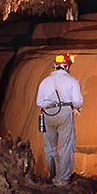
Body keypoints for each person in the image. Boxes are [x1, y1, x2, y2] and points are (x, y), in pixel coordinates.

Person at [36, 53, 83, 186]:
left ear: (55, 66)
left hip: (47, 114)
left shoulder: (45, 81)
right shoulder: (72, 81)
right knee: (66, 145)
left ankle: (52, 174)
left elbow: (39, 101)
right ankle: (62, 179)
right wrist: (75, 107)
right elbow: (78, 101)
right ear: (67, 66)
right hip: (64, 114)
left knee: (49, 146)